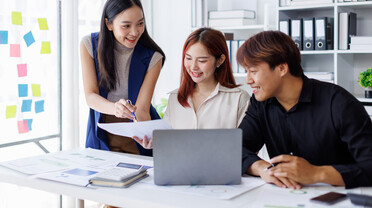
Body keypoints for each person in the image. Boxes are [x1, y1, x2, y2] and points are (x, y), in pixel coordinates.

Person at [237, 30, 372, 189]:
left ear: (281, 68)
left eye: (253, 71)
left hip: (341, 198)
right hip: (287, 197)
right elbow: (237, 149)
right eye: (247, 72)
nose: (248, 80)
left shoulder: (339, 104)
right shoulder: (261, 104)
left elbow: (369, 165)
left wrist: (316, 174)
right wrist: (264, 169)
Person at [134, 27, 250, 148]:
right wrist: (155, 143)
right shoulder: (175, 98)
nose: (193, 67)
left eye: (202, 60)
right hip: (178, 166)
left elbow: (246, 151)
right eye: (188, 58)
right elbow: (168, 142)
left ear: (220, 60)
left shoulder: (239, 99)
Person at [80, 0, 165, 156]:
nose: (135, 32)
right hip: (102, 128)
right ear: (109, 24)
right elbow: (90, 96)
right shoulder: (89, 45)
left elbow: (141, 109)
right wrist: (115, 108)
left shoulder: (153, 57)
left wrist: (145, 134)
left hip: (136, 132)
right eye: (126, 26)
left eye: (140, 24)